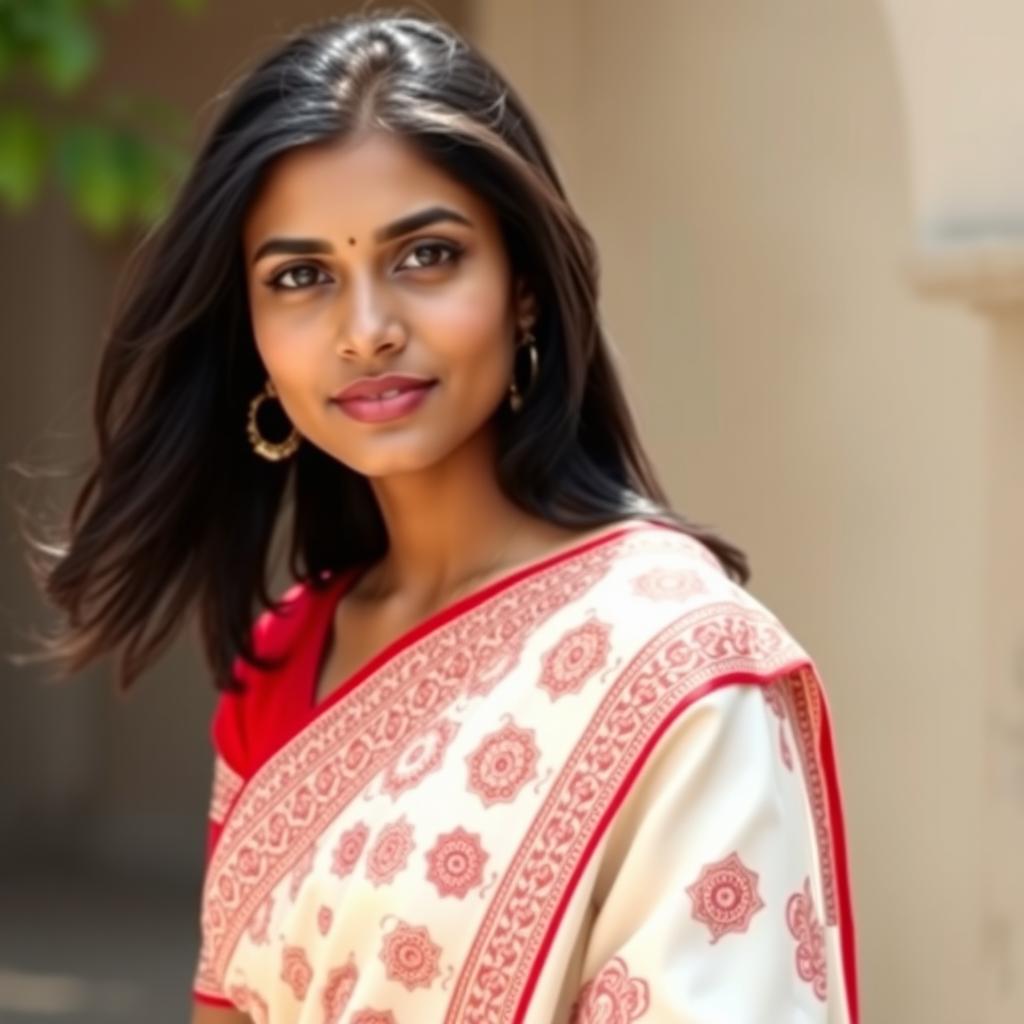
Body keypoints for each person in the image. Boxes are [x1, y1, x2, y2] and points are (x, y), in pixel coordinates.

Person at [28, 8, 858, 1023]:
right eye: (300, 278)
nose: (367, 329)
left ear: (523, 291)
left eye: (424, 256)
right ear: (250, 336)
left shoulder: (679, 668)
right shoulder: (288, 649)